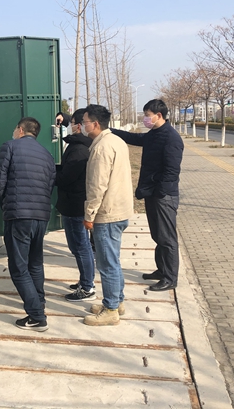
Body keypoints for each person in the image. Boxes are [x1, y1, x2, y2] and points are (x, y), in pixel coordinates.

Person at [110, 99, 184, 292]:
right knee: (158, 235)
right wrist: (109, 130)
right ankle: (161, 270)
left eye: (147, 115)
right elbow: (134, 138)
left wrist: (160, 192)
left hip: (163, 196)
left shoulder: (171, 138)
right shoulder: (155, 134)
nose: (145, 119)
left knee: (167, 238)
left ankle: (170, 278)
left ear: (158, 115)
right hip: (153, 193)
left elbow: (171, 171)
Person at [0, 117, 56, 331]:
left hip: (18, 214)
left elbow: (0, 181)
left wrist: (6, 205)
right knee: (35, 263)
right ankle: (39, 302)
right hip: (41, 215)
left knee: (18, 267)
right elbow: (50, 185)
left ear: (20, 130)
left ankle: (37, 316)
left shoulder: (10, 147)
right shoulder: (46, 154)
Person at [81, 104, 133, 326]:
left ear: (95, 124)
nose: (82, 125)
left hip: (107, 212)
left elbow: (97, 185)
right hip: (120, 209)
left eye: (84, 122)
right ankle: (116, 301)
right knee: (113, 260)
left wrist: (89, 214)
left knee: (107, 264)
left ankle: (111, 310)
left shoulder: (101, 147)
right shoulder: (116, 141)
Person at [55, 108, 96, 302]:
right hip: (73, 203)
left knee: (81, 246)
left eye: (71, 123)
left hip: (75, 205)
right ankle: (85, 280)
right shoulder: (79, 144)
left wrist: (48, 173)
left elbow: (66, 177)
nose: (69, 126)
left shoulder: (79, 150)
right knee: (78, 246)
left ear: (79, 126)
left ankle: (87, 287)